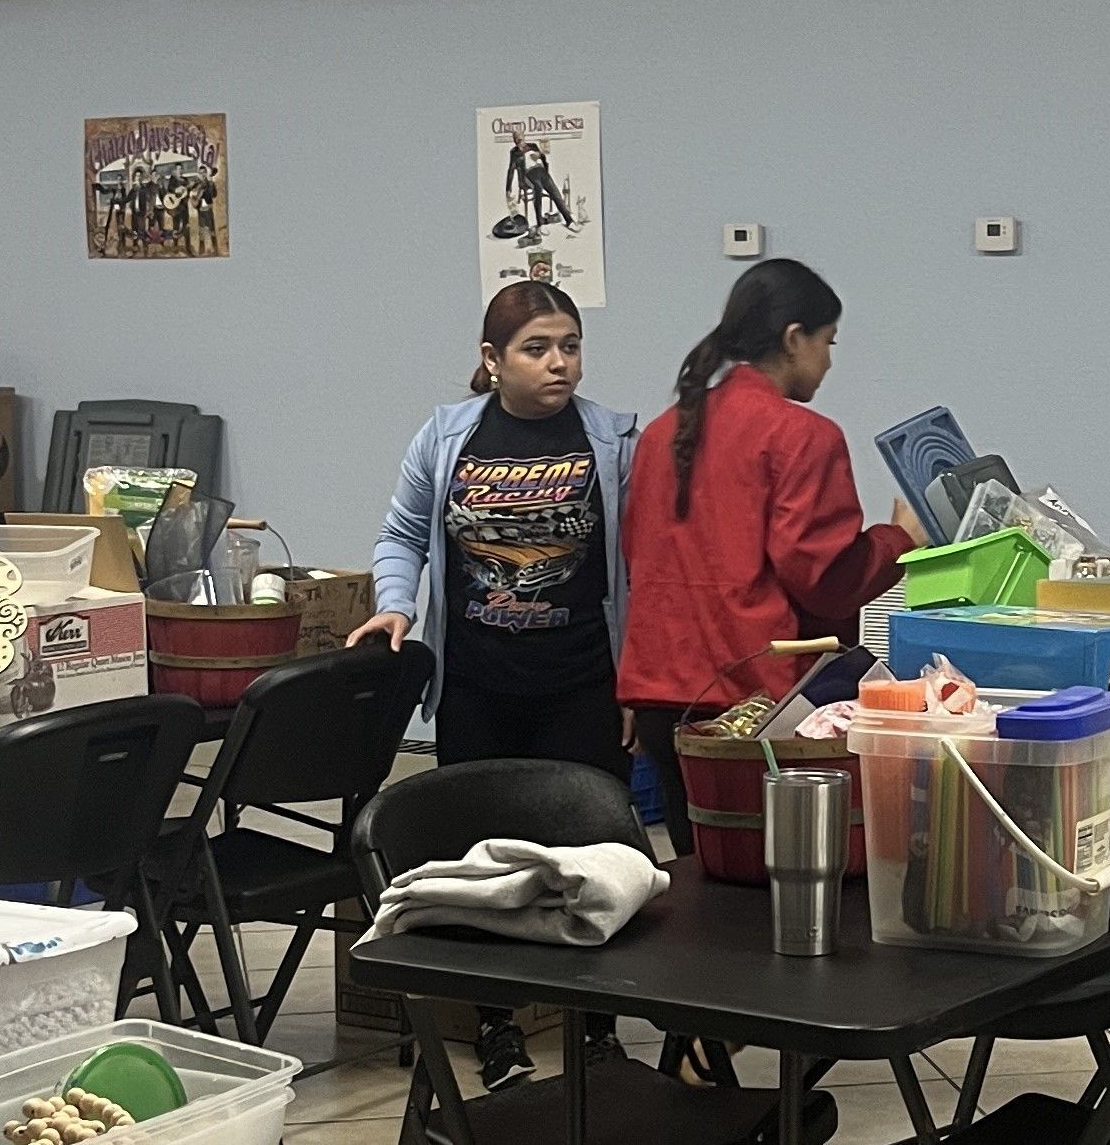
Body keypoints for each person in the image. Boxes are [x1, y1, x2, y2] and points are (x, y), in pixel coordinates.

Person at [347, 279, 636, 1091]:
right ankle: (497, 1029)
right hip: (478, 686)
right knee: (479, 865)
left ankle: (597, 1030)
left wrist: (637, 683)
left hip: (583, 683)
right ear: (491, 359)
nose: (559, 364)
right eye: (536, 348)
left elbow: (642, 565)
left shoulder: (611, 441)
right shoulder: (447, 437)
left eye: (569, 345)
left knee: (592, 860)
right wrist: (395, 607)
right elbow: (402, 533)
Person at [617, 259, 927, 858]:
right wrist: (900, 539)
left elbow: (640, 559)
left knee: (697, 870)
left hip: (661, 693)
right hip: (754, 698)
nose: (830, 360)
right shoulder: (803, 435)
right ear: (794, 338)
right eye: (827, 342)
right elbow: (826, 579)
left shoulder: (662, 432)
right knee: (775, 881)